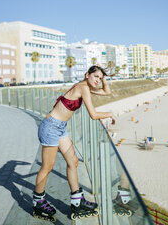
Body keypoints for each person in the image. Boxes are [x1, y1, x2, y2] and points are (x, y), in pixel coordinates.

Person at [32, 66, 116, 221]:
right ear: (87, 75)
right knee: (47, 167)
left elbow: (107, 92)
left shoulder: (86, 87)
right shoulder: (83, 87)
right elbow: (93, 115)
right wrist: (109, 114)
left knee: (73, 162)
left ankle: (77, 201)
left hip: (60, 127)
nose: (97, 80)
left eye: (100, 78)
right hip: (51, 127)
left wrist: (104, 79)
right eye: (95, 76)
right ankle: (38, 202)